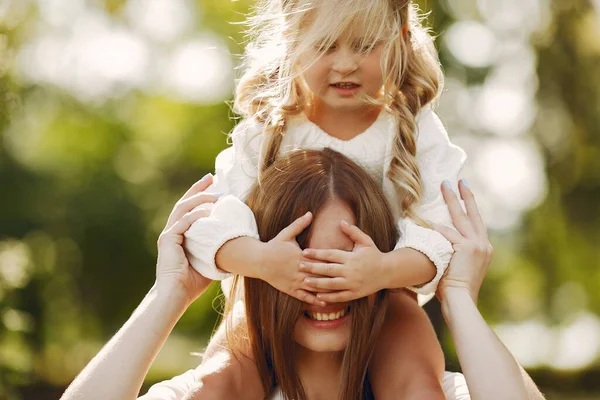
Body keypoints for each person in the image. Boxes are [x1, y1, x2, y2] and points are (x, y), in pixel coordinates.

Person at [60, 149, 545, 400]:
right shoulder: (212, 390)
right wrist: (170, 293)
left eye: (345, 259)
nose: (320, 283)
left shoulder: (441, 391)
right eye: (298, 258)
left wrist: (456, 295)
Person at [184, 0, 466, 398]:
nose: (346, 64)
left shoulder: (413, 129)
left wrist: (382, 270)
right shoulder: (268, 128)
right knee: (218, 381)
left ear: (401, 37)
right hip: (273, 299)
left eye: (366, 45)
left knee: (416, 381)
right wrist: (264, 263)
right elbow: (207, 228)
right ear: (291, 39)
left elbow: (446, 235)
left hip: (386, 301)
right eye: (326, 45)